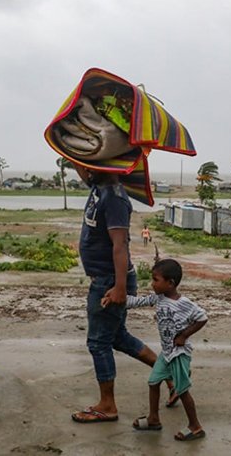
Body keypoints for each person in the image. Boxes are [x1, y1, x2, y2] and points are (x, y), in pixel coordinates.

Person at [70, 164, 168, 423]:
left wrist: (120, 288)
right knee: (118, 337)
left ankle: (107, 406)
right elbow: (82, 170)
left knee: (98, 343)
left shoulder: (113, 197)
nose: (85, 165)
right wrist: (66, 144)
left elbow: (120, 245)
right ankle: (171, 376)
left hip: (110, 281)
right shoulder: (99, 186)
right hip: (106, 279)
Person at [106, 259, 208, 441]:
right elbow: (138, 301)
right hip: (166, 352)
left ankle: (195, 426)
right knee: (153, 382)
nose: (152, 284)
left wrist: (184, 336)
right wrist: (116, 297)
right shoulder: (159, 298)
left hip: (179, 354)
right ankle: (154, 419)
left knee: (182, 390)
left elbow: (202, 317)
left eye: (155, 280)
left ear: (171, 283)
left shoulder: (184, 303)